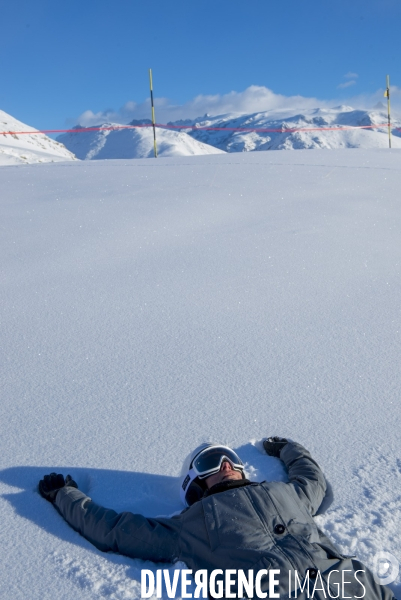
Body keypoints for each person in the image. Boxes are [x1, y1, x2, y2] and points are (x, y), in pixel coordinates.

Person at [39, 438, 394, 599]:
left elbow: (313, 480)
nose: (225, 464)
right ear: (194, 482)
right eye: (211, 462)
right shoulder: (191, 526)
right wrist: (66, 496)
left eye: (228, 458)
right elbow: (118, 531)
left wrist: (286, 448)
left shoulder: (286, 493)